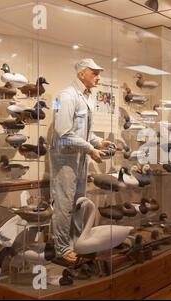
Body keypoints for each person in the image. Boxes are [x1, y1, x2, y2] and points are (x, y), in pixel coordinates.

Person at [50, 58, 112, 265]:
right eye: (94, 73)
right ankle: (61, 248)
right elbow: (64, 133)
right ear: (81, 74)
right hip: (65, 159)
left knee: (77, 203)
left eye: (98, 73)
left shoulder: (86, 97)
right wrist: (90, 148)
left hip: (79, 158)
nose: (98, 77)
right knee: (64, 204)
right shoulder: (67, 97)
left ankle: (75, 243)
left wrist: (98, 142)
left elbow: (85, 132)